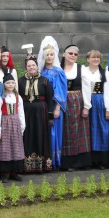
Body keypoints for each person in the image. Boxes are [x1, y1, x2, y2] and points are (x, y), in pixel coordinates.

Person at [19, 52, 53, 173]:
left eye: (33, 65)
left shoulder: (45, 81)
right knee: (27, 135)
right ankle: (27, 165)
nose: (31, 67)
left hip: (41, 111)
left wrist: (50, 117)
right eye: (29, 66)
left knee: (40, 134)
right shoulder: (20, 81)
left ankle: (41, 164)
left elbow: (50, 98)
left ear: (37, 66)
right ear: (26, 67)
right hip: (26, 111)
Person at [60, 44, 92, 170]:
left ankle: (79, 163)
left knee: (78, 132)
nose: (73, 56)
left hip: (77, 101)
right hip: (62, 102)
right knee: (65, 132)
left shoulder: (81, 68)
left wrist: (86, 106)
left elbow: (87, 88)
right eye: (70, 53)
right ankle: (65, 162)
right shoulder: (58, 68)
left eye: (75, 54)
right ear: (64, 54)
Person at [37, 36, 67, 170]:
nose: (49, 57)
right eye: (47, 55)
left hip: (54, 108)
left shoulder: (58, 72)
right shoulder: (41, 71)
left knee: (54, 133)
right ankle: (44, 161)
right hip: (43, 107)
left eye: (51, 54)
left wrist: (57, 108)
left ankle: (55, 161)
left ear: (54, 55)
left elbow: (61, 92)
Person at [83, 50, 109, 169]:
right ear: (87, 59)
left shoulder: (104, 72)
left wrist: (108, 109)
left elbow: (108, 91)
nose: (96, 60)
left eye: (98, 58)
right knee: (88, 131)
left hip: (100, 101)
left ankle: (101, 161)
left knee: (101, 131)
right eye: (93, 57)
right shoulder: (83, 71)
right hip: (86, 101)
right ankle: (89, 161)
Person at [0, 74, 25, 182]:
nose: (10, 85)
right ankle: (5, 173)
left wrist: (22, 127)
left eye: (12, 82)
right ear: (4, 84)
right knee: (5, 147)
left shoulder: (17, 97)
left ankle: (14, 172)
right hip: (5, 124)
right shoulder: (0, 98)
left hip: (15, 124)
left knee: (16, 147)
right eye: (8, 83)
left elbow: (21, 113)